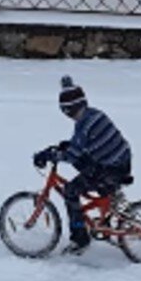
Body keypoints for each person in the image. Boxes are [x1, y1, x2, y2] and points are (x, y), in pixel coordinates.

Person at [34, 76, 132, 256]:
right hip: (121, 161)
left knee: (71, 191)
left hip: (110, 168)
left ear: (68, 110)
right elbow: (83, 145)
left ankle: (80, 239)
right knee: (85, 166)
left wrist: (49, 155)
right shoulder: (93, 114)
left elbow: (72, 155)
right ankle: (109, 198)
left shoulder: (83, 125)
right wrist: (69, 146)